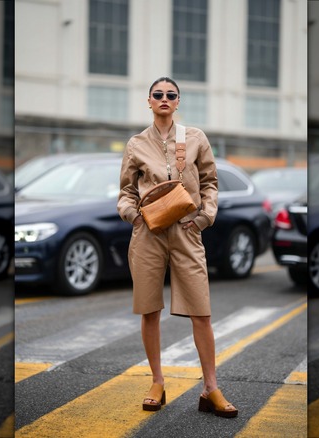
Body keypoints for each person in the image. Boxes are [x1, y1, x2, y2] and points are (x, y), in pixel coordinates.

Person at [117, 77, 237, 418]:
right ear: (149, 101)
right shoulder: (136, 144)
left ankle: (211, 388)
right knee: (149, 310)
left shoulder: (195, 137)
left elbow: (211, 182)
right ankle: (157, 382)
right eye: (158, 94)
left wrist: (204, 218)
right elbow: (126, 191)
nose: (164, 99)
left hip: (187, 231)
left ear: (178, 101)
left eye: (171, 95)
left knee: (202, 311)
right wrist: (133, 216)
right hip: (148, 233)